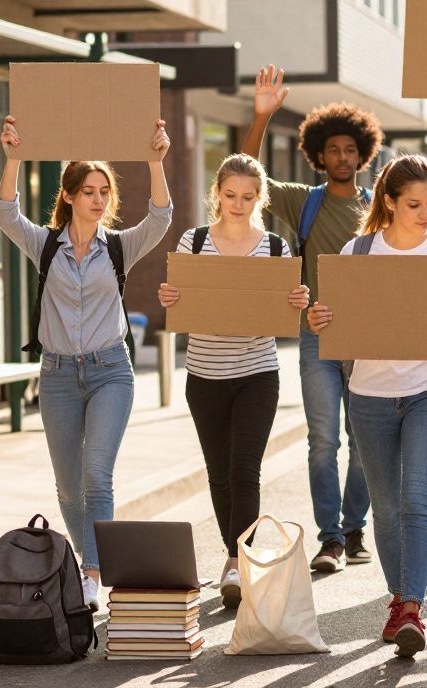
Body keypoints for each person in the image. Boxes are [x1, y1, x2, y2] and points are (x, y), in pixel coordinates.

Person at [307, 154, 427, 658]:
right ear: (388, 202)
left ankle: (411, 608)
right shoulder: (358, 251)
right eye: (414, 204)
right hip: (369, 394)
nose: (426, 212)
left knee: (415, 503)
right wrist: (323, 319)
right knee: (385, 512)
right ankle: (397, 600)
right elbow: (336, 324)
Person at [0, 115, 173, 610]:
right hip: (55, 375)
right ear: (70, 195)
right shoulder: (45, 245)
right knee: (68, 488)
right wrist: (13, 155)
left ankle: (94, 573)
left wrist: (155, 162)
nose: (98, 199)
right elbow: (7, 212)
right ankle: (85, 561)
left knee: (97, 474)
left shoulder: (117, 247)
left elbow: (160, 217)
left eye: (104, 191)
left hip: (109, 371)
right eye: (88, 190)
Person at [241, 65, 383, 572]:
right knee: (323, 440)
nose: (342, 157)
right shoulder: (304, 202)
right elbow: (245, 173)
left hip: (368, 342)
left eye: (350, 149)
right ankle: (330, 538)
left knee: (364, 442)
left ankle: (354, 527)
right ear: (318, 156)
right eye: (333, 150)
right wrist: (262, 117)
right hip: (316, 340)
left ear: (361, 154)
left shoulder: (378, 208)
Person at [157, 154, 310, 610]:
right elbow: (179, 299)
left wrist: (297, 299)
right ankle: (233, 554)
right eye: (229, 196)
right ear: (217, 195)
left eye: (247, 197)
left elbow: (288, 308)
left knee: (245, 470)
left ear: (259, 197)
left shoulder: (277, 249)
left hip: (257, 373)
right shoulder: (194, 241)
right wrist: (171, 295)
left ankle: (234, 560)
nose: (238, 204)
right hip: (204, 375)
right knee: (219, 475)